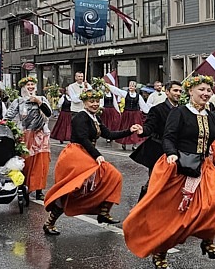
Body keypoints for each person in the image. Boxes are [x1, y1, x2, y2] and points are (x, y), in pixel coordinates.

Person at [123, 75, 215, 269]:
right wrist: (171, 154)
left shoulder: (212, 115)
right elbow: (168, 137)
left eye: (208, 90)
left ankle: (207, 239)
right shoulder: (179, 113)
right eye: (202, 90)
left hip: (203, 167)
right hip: (179, 167)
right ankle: (160, 253)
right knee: (173, 215)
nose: (206, 93)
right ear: (191, 91)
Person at [42, 84, 142, 235]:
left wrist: (129, 131)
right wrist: (97, 155)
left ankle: (103, 212)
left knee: (114, 176)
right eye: (91, 101)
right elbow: (83, 139)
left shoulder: (95, 118)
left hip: (86, 153)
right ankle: (49, 222)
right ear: (84, 103)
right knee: (72, 190)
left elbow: (108, 134)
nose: (95, 104)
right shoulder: (80, 117)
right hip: (75, 154)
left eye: (97, 101)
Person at [130, 80, 183, 201]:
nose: (178, 93)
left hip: (176, 151)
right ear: (167, 91)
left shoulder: (183, 110)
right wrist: (142, 130)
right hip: (158, 150)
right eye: (175, 90)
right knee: (154, 183)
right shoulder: (157, 109)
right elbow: (149, 127)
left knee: (176, 182)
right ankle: (141, 209)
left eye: (180, 91)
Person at [5, 76, 52, 200]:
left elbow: (49, 113)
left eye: (32, 85)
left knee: (41, 163)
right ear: (23, 87)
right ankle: (23, 187)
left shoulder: (41, 99)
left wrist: (39, 102)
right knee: (25, 162)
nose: (30, 87)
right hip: (25, 135)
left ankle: (39, 190)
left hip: (41, 136)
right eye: (28, 85)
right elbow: (8, 117)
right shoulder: (19, 101)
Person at [116, 80, 147, 151]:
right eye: (130, 85)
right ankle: (124, 142)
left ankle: (134, 144)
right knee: (125, 127)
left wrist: (149, 112)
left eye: (132, 86)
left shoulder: (138, 96)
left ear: (135, 87)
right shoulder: (125, 94)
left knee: (135, 127)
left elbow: (144, 106)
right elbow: (116, 90)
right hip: (127, 113)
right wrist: (107, 85)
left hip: (135, 114)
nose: (131, 87)